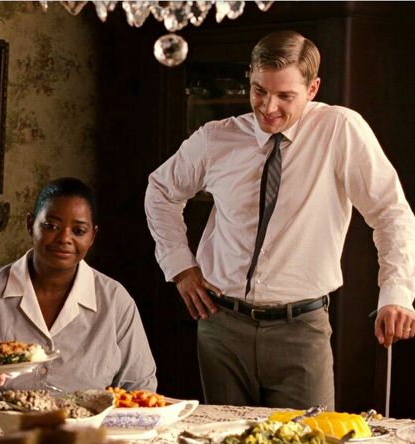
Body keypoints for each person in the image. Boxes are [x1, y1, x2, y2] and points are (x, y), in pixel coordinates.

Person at [145, 30, 415, 409]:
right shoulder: (215, 138)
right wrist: (180, 267)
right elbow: (160, 191)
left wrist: (397, 293)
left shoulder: (341, 130)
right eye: (259, 91)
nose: (269, 107)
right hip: (221, 326)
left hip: (301, 331)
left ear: (313, 88)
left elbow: (390, 211)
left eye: (285, 96)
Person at [0, 177, 157, 401]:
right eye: (51, 226)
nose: (64, 238)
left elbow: (139, 387)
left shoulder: (116, 301)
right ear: (30, 224)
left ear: (93, 236)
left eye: (78, 231)